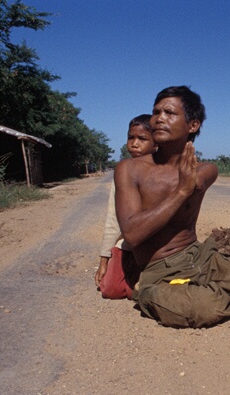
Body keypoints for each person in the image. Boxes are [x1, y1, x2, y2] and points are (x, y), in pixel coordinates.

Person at [114, 86, 230, 329]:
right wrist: (181, 192)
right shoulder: (129, 169)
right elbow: (132, 235)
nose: (159, 119)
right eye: (156, 113)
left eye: (169, 113)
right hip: (160, 269)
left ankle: (200, 288)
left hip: (201, 256)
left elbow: (199, 179)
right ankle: (151, 294)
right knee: (208, 308)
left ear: (193, 125)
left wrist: (187, 185)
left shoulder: (206, 170)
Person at [95, 114, 157, 299]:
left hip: (157, 248)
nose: (135, 144)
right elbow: (113, 219)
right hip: (129, 246)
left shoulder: (165, 172)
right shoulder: (123, 172)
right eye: (131, 137)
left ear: (156, 143)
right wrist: (104, 260)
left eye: (142, 139)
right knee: (110, 289)